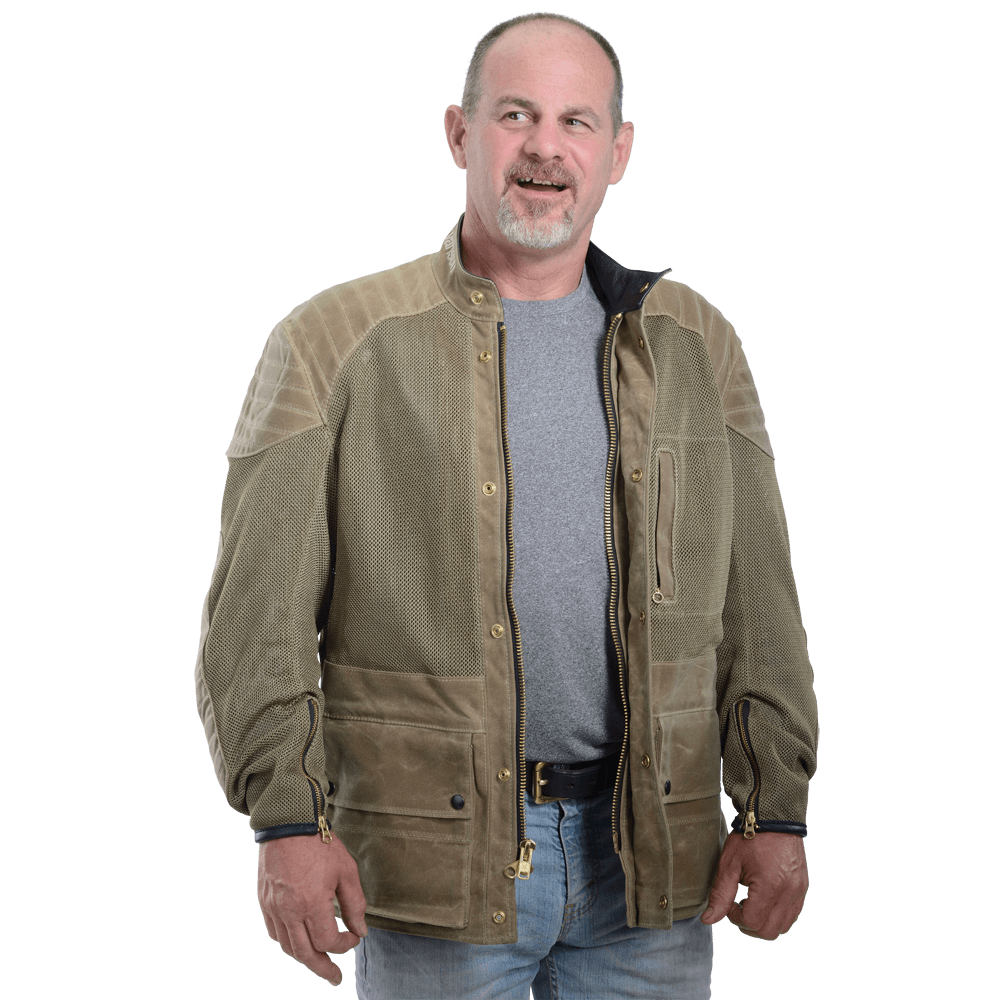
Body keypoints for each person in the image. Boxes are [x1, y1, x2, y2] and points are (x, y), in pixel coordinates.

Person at [195, 12, 819, 999]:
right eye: (515, 114)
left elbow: (760, 603)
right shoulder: (333, 342)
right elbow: (257, 616)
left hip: (654, 859)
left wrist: (775, 806)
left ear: (618, 152)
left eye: (576, 121)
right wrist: (286, 822)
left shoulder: (694, 342)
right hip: (433, 860)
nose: (543, 148)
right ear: (459, 133)